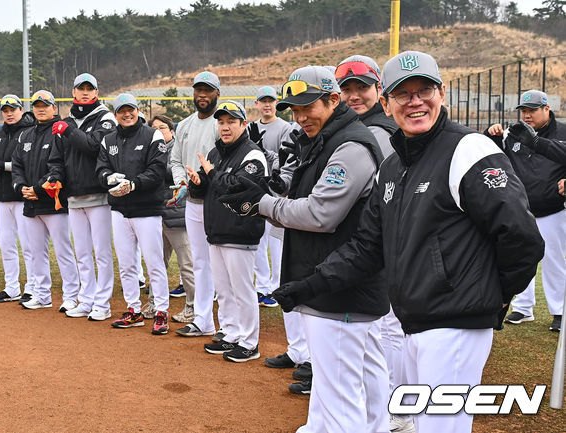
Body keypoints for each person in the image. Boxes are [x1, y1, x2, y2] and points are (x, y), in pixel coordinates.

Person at [265, 52, 544, 433]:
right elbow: (368, 246)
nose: (415, 102)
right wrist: (312, 285)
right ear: (387, 102)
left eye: (424, 90)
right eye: (403, 93)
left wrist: (493, 296)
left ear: (441, 93)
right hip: (414, 321)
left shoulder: (469, 149)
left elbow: (521, 236)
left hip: (455, 323)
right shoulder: (394, 165)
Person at [221, 65, 389, 430]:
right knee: (355, 382)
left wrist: (259, 204)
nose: (299, 117)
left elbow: (319, 214)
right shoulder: (322, 139)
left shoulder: (350, 145)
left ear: (333, 99)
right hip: (334, 279)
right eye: (293, 110)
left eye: (307, 107)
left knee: (339, 391)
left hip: (342, 285)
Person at [336, 54, 412, 433]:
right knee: (375, 332)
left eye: (362, 88)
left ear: (379, 90)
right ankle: (382, 407)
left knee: (389, 329)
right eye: (346, 89)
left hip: (386, 239)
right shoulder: (362, 127)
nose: (354, 96)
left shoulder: (380, 129)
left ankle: (396, 409)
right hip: (372, 240)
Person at [187, 100, 267, 362]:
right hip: (217, 232)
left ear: (243, 124)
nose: (225, 127)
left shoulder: (252, 154)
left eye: (231, 121)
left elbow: (238, 188)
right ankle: (231, 333)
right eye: (221, 122)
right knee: (223, 290)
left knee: (242, 291)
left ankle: (250, 342)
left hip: (241, 232)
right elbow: (206, 188)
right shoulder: (214, 153)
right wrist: (197, 183)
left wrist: (212, 173)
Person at [485, 89, 566, 332]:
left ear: (547, 109)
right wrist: (493, 136)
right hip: (522, 209)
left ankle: (559, 310)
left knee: (554, 261)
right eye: (524, 111)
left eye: (532, 110)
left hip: (553, 208)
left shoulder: (562, 131)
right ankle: (523, 307)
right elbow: (497, 158)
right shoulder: (514, 132)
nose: (527, 115)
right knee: (520, 257)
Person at [95, 93, 171, 335]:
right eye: (121, 111)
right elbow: (101, 167)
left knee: (154, 263)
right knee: (127, 264)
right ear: (115, 114)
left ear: (137, 111)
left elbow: (157, 170)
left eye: (131, 110)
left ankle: (161, 312)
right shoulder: (108, 139)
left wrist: (134, 184)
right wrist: (108, 177)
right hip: (120, 209)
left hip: (147, 209)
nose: (127, 114)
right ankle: (133, 309)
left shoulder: (152, 135)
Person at [46, 73, 117, 321]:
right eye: (81, 88)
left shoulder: (105, 118)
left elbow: (94, 145)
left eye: (90, 89)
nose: (85, 92)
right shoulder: (66, 123)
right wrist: (55, 178)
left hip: (98, 195)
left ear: (96, 93)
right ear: (73, 92)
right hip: (74, 197)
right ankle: (86, 300)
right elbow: (56, 159)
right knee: (83, 253)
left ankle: (103, 303)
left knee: (102, 252)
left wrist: (68, 130)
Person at [170, 71, 227, 341]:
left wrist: (207, 178)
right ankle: (203, 320)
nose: (202, 95)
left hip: (217, 202)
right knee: (201, 262)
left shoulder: (222, 125)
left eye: (208, 90)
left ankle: (229, 324)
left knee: (222, 264)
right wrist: (183, 182)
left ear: (218, 93)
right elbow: (176, 161)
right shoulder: (184, 125)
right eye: (198, 90)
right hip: (192, 201)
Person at [11, 90, 80, 311]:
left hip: (55, 203)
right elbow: (17, 165)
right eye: (37, 105)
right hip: (31, 203)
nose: (41, 108)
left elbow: (59, 167)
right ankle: (42, 295)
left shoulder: (60, 132)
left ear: (54, 108)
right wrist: (22, 188)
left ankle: (71, 296)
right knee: (35, 251)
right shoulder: (26, 135)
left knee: (63, 251)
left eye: (45, 105)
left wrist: (38, 189)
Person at [247, 85, 296, 308]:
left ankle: (276, 288)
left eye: (271, 100)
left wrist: (263, 151)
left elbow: (285, 159)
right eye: (262, 100)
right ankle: (262, 287)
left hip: (278, 191)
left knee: (277, 244)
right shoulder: (250, 128)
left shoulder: (285, 128)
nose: (267, 104)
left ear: (276, 103)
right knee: (258, 242)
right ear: (256, 104)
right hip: (257, 190)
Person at [0, 94, 36, 303]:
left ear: (21, 110)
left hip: (23, 196)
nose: (9, 113)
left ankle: (33, 287)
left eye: (13, 109)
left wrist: (2, 165)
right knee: (6, 244)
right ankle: (12, 287)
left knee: (28, 245)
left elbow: (29, 163)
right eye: (5, 110)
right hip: (3, 196)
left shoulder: (29, 132)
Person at [150, 114, 196, 323]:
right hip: (156, 213)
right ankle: (153, 303)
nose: (158, 132)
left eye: (163, 128)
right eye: (154, 128)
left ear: (172, 131)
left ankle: (192, 306)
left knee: (187, 264)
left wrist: (154, 169)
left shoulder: (177, 148)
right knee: (157, 262)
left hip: (176, 213)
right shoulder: (150, 147)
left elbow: (180, 173)